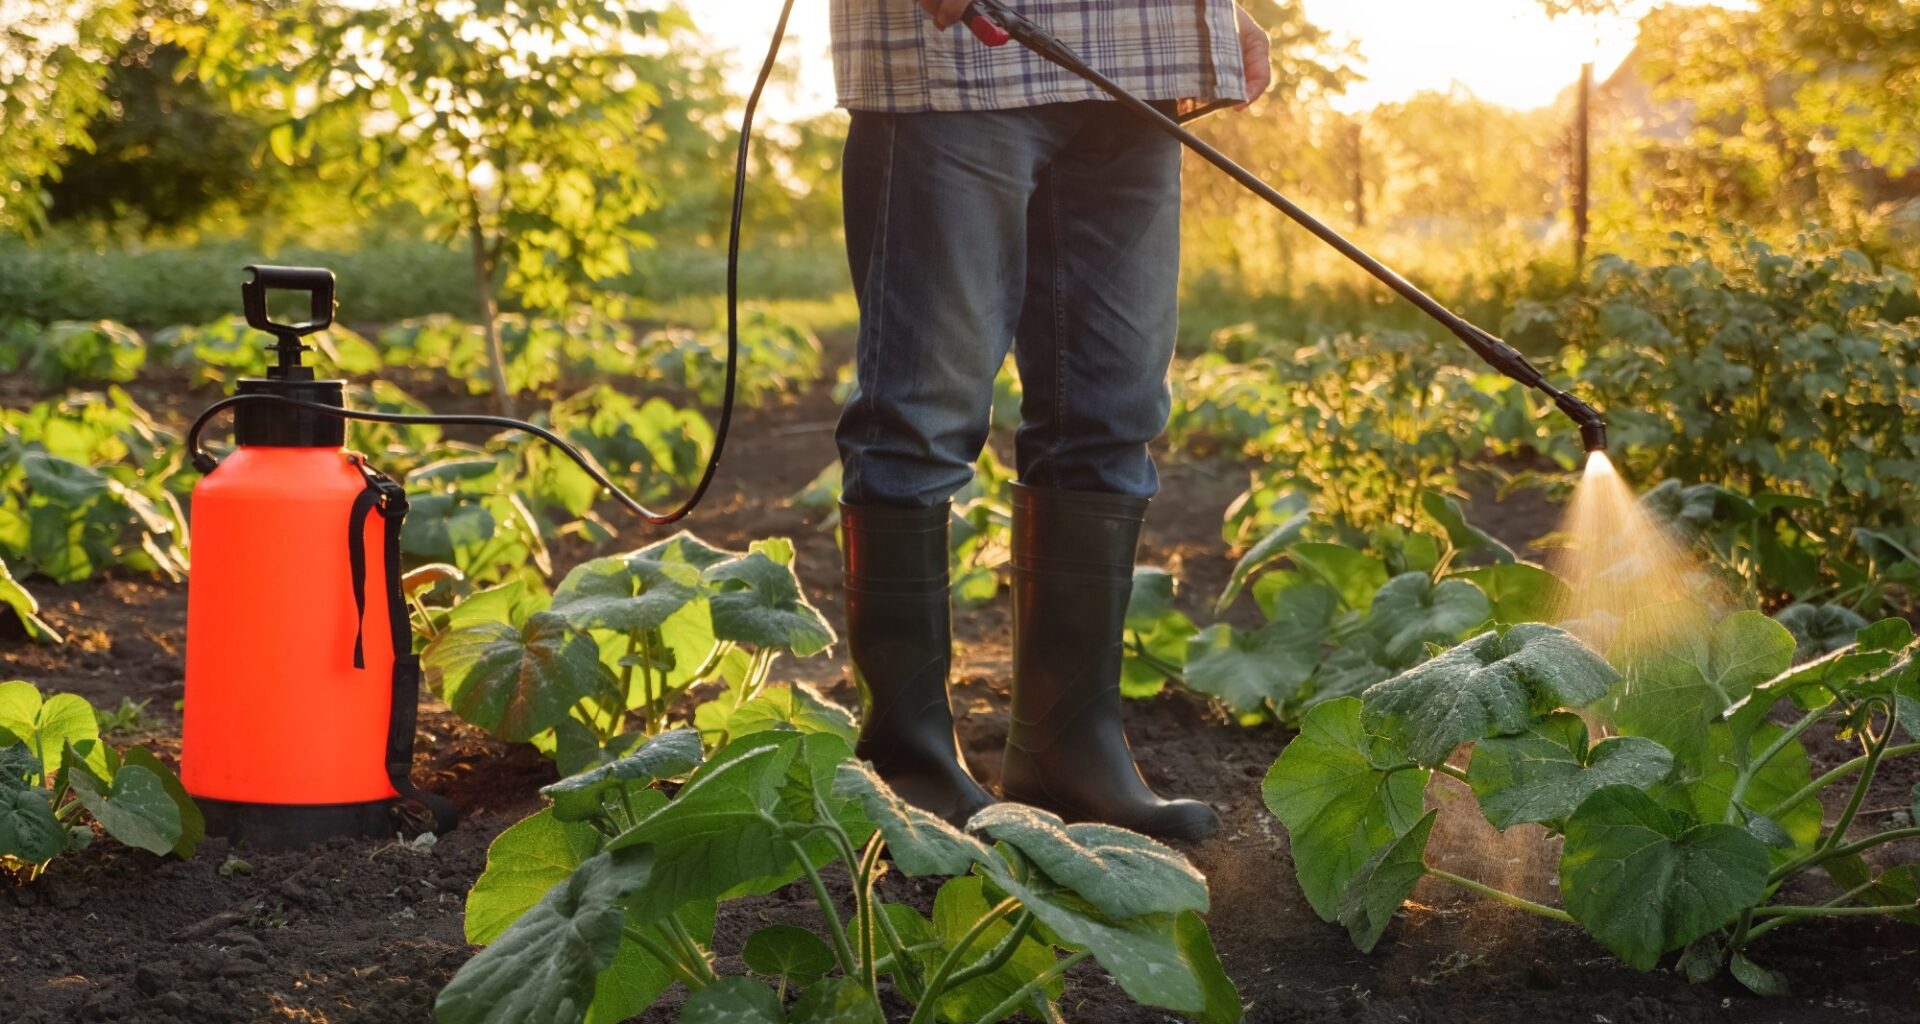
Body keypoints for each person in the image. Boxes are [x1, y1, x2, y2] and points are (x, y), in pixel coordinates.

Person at [830, 0, 1273, 842]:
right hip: (958, 57)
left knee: (1110, 415)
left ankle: (1070, 755)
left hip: (1143, 53)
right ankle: (910, 776)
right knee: (921, 418)